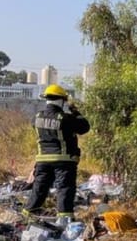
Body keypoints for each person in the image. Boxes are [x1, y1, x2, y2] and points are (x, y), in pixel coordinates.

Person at [22, 85, 90, 224]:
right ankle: (64, 219)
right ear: (62, 100)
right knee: (64, 188)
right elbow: (84, 127)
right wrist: (75, 110)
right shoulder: (66, 118)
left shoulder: (36, 117)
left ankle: (28, 213)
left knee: (40, 187)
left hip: (43, 160)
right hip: (64, 160)